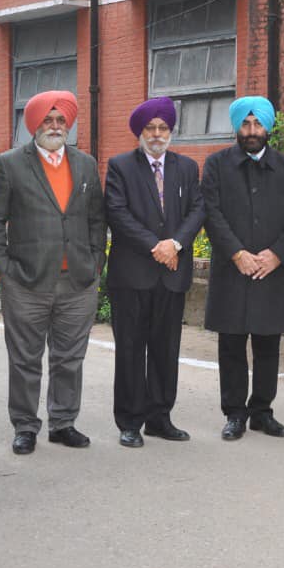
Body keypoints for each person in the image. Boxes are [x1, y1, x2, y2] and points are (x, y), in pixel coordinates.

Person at [0, 90, 106, 454]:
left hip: (78, 282)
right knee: (25, 359)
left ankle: (63, 423)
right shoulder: (9, 164)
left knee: (69, 358)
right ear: (34, 125)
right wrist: (3, 270)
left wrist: (96, 263)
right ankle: (25, 426)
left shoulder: (85, 164)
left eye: (61, 120)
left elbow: (96, 219)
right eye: (48, 120)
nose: (55, 126)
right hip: (26, 282)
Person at [202, 96, 284, 441]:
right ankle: (235, 413)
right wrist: (237, 253)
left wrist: (276, 255)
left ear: (268, 127)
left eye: (257, 124)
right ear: (237, 127)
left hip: (271, 271)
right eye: (245, 124)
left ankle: (262, 412)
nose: (251, 131)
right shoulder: (217, 165)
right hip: (232, 269)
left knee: (267, 345)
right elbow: (211, 213)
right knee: (231, 345)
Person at [105, 97, 205, 447]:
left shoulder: (186, 167)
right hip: (132, 275)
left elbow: (197, 210)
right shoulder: (120, 166)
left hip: (171, 275)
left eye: (163, 128)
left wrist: (174, 244)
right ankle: (130, 422)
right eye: (150, 128)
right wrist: (157, 247)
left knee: (166, 349)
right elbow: (117, 213)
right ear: (140, 132)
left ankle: (160, 418)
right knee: (130, 349)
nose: (157, 134)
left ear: (171, 131)